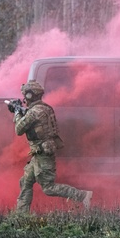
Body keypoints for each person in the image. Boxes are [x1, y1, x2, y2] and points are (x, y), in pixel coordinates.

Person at [13, 81, 93, 211]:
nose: (24, 99)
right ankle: (21, 215)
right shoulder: (44, 108)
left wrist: (17, 112)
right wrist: (20, 112)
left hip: (42, 154)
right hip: (38, 154)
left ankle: (82, 195)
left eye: (25, 95)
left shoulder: (35, 112)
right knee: (25, 182)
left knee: (48, 188)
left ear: (30, 95)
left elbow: (19, 129)